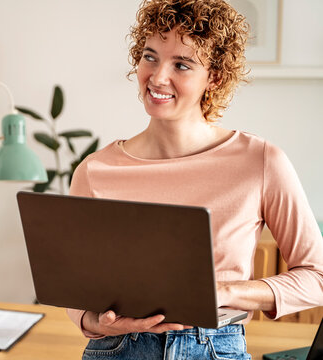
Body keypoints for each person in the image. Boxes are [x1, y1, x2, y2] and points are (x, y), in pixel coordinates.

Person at [66, 0, 323, 359]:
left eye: (182, 65)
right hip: (117, 348)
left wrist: (226, 291)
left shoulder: (260, 162)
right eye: (150, 56)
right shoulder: (94, 170)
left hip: (214, 346)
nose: (157, 77)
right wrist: (96, 322)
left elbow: (316, 277)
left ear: (214, 77)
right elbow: (76, 292)